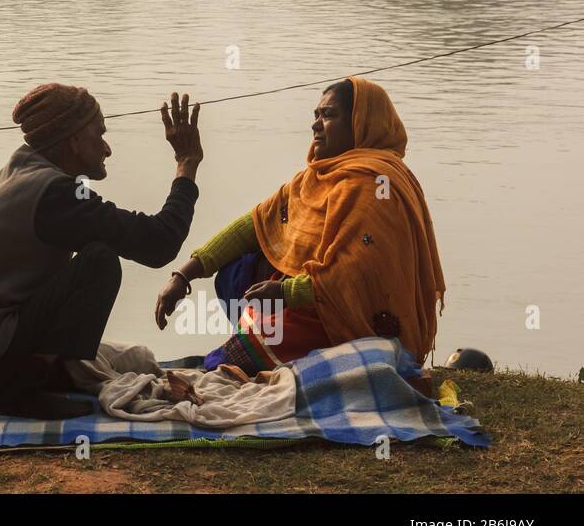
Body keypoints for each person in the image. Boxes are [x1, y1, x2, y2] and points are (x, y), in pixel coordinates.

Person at [0, 85, 205, 419]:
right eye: (99, 134)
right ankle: (17, 391)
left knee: (89, 259)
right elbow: (159, 244)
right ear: (73, 140)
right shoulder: (57, 194)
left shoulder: (23, 173)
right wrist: (186, 164)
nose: (107, 148)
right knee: (99, 261)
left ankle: (28, 375)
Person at [154, 77, 444, 374]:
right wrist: (184, 275)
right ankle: (265, 345)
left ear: (360, 123)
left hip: (350, 317)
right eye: (316, 115)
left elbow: (354, 271)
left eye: (328, 115)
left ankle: (277, 351)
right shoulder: (317, 176)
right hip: (309, 301)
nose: (316, 125)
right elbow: (254, 225)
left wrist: (286, 292)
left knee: (230, 362)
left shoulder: (375, 183)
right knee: (239, 267)